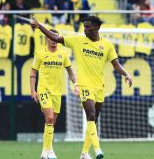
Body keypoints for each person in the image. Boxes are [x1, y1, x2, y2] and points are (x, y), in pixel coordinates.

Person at [31, 16, 133, 159]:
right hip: (84, 85)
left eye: (88, 27)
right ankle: (97, 149)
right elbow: (57, 38)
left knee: (93, 120)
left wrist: (126, 74)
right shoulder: (78, 41)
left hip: (99, 87)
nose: (85, 29)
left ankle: (84, 153)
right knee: (90, 115)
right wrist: (40, 26)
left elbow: (116, 64)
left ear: (97, 27)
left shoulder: (107, 46)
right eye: (84, 26)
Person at [30, 29, 79, 159]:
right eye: (51, 38)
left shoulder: (63, 54)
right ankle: (49, 150)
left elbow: (71, 72)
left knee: (52, 121)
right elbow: (33, 73)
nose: (54, 41)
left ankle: (44, 152)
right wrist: (33, 90)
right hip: (44, 90)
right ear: (47, 39)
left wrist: (76, 84)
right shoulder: (40, 54)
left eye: (56, 39)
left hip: (57, 92)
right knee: (50, 118)